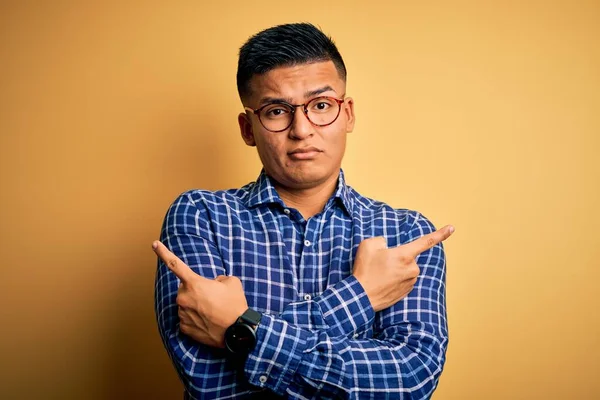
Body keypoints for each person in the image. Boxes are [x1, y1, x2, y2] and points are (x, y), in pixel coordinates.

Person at [153, 23, 454, 400]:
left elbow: (410, 381)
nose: (302, 129)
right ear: (248, 128)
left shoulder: (405, 234)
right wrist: (360, 295)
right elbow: (210, 383)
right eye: (277, 111)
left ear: (348, 114)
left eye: (321, 106)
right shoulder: (200, 216)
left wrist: (238, 331)